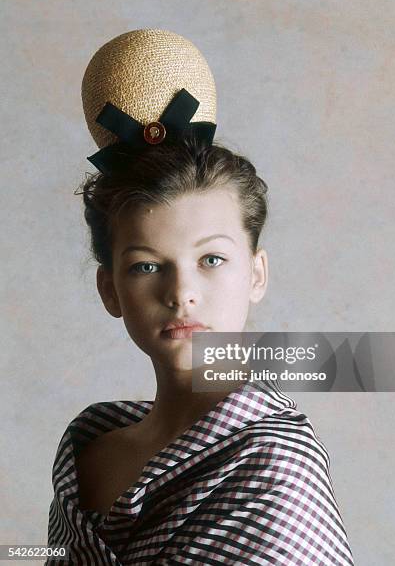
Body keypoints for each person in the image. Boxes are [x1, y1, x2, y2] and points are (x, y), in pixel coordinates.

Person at [46, 29, 354, 565]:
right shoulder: (89, 454)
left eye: (212, 260)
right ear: (110, 290)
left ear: (256, 274)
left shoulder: (273, 465)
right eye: (146, 266)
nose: (182, 293)